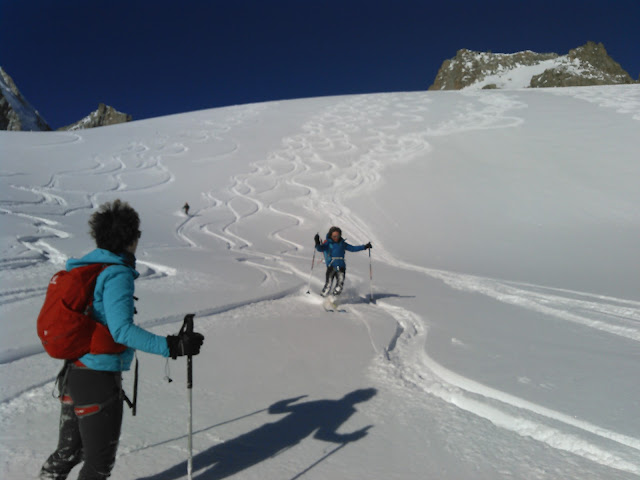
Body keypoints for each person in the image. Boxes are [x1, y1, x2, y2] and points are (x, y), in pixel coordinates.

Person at [40, 200, 204, 480]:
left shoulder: (87, 267)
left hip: (73, 374)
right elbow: (122, 332)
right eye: (137, 235)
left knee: (68, 452)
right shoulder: (116, 273)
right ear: (129, 239)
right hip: (97, 378)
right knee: (98, 465)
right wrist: (173, 346)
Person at [314, 226, 371, 297]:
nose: (336, 238)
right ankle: (322, 297)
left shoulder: (342, 243)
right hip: (331, 266)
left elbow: (353, 248)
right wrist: (317, 242)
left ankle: (333, 299)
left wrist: (365, 247)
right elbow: (320, 249)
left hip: (341, 267)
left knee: (339, 285)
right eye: (334, 236)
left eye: (338, 236)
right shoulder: (328, 243)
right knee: (328, 285)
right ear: (331, 235)